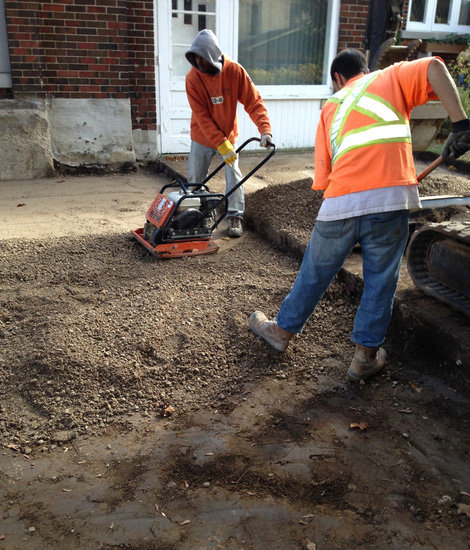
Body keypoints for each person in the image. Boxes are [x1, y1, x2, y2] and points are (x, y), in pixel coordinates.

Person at [249, 48, 470, 382]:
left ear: (337, 79)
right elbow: (436, 67)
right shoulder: (391, 76)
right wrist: (462, 125)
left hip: (340, 202)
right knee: (380, 281)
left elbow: (322, 178)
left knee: (314, 273)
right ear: (365, 69)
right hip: (390, 199)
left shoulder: (331, 108)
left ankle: (280, 333)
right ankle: (364, 358)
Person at [185, 29, 273, 238]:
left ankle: (234, 215)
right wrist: (221, 144)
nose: (198, 63)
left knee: (233, 173)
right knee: (195, 179)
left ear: (212, 56)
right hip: (202, 136)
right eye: (195, 59)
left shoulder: (235, 72)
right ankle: (201, 213)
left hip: (228, 135)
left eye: (202, 59)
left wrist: (265, 130)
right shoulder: (193, 78)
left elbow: (254, 102)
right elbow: (202, 117)